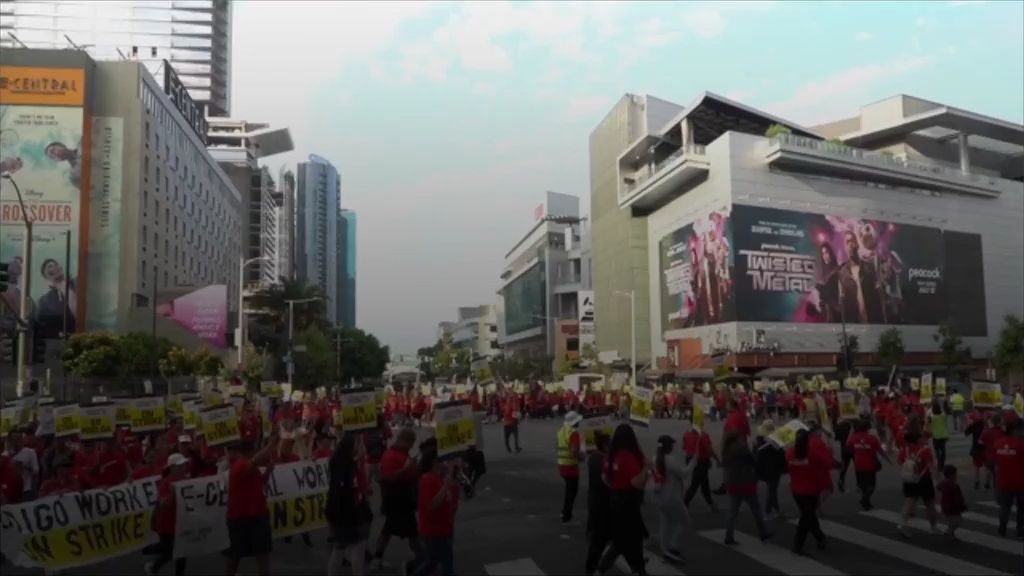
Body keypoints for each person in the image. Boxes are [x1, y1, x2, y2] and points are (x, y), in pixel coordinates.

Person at [224, 431, 279, 576]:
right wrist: (271, 445)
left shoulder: (250, 467)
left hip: (257, 514)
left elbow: (259, 483)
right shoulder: (240, 465)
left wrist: (267, 472)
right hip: (240, 517)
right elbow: (256, 460)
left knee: (262, 552)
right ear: (250, 452)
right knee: (235, 556)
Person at [371, 428, 421, 574]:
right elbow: (389, 478)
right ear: (405, 440)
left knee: (389, 530)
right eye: (411, 442)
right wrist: (406, 469)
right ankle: (421, 558)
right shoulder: (391, 455)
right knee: (411, 532)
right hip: (397, 498)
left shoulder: (401, 453)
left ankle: (377, 558)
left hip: (401, 497)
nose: (412, 446)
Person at [602, 424, 650, 576]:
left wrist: (616, 486)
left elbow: (605, 478)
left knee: (625, 537)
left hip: (615, 498)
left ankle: (638, 568)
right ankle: (603, 567)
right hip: (628, 500)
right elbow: (636, 482)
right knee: (629, 539)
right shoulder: (627, 457)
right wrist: (645, 469)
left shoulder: (611, 455)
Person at [327, 434, 372, 576]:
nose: (359, 448)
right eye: (356, 445)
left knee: (340, 547)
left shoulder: (339, 461)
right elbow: (348, 488)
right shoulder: (347, 465)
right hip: (350, 510)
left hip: (342, 510)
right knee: (357, 547)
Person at [414, 439, 460, 576]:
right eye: (444, 461)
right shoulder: (428, 479)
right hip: (434, 530)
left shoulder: (439, 477)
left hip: (442, 527)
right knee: (446, 564)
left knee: (432, 563)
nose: (446, 463)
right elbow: (431, 504)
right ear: (436, 462)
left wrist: (453, 475)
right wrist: (446, 486)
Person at [721, 430, 771, 545]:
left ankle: (728, 535)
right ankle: (763, 532)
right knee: (756, 509)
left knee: (733, 512)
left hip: (732, 482)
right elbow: (753, 460)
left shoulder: (726, 450)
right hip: (745, 481)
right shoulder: (741, 448)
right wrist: (754, 448)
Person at [144, 453, 190, 576]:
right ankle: (153, 567)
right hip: (166, 525)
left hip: (180, 523)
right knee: (168, 553)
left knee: (182, 553)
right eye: (181, 465)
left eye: (184, 464)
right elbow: (164, 505)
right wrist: (173, 495)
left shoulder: (185, 480)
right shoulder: (166, 483)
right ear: (173, 467)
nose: (184, 467)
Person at [786, 429, 830, 555]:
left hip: (796, 490)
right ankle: (798, 545)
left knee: (808, 515)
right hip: (811, 490)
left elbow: (788, 468)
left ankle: (820, 538)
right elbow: (826, 464)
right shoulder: (812, 454)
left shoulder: (789, 453)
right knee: (806, 517)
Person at [651, 435, 692, 564]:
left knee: (664, 524)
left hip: (659, 497)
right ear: (669, 447)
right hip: (672, 497)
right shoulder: (670, 460)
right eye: (672, 445)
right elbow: (684, 473)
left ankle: (665, 550)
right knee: (684, 520)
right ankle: (673, 545)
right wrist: (694, 462)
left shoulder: (655, 458)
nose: (673, 447)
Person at [897, 428, 939, 537]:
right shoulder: (925, 450)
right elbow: (931, 466)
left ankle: (903, 524)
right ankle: (933, 526)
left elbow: (900, 462)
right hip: (924, 479)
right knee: (929, 503)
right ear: (918, 439)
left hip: (909, 479)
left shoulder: (904, 450)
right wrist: (936, 480)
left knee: (909, 502)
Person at [584, 431, 612, 576]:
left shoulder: (593, 457)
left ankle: (636, 563)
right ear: (605, 446)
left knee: (601, 538)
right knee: (601, 539)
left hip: (595, 499)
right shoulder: (602, 460)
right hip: (604, 502)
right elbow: (606, 481)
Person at [991, 416, 1024, 540]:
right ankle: (1020, 529)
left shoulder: (997, 444)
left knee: (1005, 506)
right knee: (1022, 507)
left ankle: (1002, 527)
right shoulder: (1021, 445)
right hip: (1020, 482)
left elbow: (994, 462)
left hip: (1003, 481)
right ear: (1014, 430)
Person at [846, 417, 889, 511]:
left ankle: (866, 502)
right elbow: (880, 451)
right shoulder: (872, 438)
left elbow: (848, 447)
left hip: (858, 465)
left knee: (863, 485)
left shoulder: (853, 438)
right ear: (867, 428)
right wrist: (888, 460)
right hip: (870, 464)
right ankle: (865, 499)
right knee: (871, 485)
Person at [682, 423, 719, 512]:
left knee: (704, 483)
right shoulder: (703, 435)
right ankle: (684, 503)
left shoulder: (686, 434)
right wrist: (716, 458)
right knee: (696, 484)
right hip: (701, 461)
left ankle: (710, 504)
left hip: (690, 459)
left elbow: (684, 447)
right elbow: (709, 450)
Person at [754, 420, 786, 520]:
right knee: (772, 490)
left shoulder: (758, 441)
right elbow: (781, 456)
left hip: (762, 469)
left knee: (772, 490)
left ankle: (776, 510)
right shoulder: (775, 443)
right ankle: (767, 512)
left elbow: (755, 455)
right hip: (774, 470)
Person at [558, 411, 585, 523]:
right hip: (571, 466)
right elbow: (574, 450)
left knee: (569, 490)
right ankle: (566, 513)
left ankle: (566, 512)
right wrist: (581, 457)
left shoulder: (562, 431)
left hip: (562, 464)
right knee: (571, 492)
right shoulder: (574, 433)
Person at [937, 465, 967, 541]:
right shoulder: (955, 486)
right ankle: (948, 533)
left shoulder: (943, 483)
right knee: (957, 522)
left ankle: (951, 534)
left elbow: (938, 487)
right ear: (952, 475)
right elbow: (958, 498)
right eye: (956, 474)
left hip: (945, 506)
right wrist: (962, 506)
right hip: (953, 507)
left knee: (952, 521)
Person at [12, 429, 40, 501]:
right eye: (13, 440)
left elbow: (36, 471)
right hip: (13, 490)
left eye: (17, 439)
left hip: (27, 489)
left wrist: (23, 467)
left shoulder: (30, 452)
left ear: (22, 440)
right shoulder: (7, 456)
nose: (15, 442)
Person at [928, 399, 951, 470]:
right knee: (943, 451)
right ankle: (942, 464)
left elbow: (929, 423)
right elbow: (947, 412)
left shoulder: (931, 417)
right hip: (943, 435)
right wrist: (945, 404)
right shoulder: (943, 415)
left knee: (937, 450)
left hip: (935, 436)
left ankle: (939, 462)